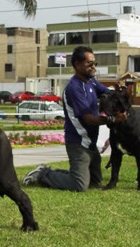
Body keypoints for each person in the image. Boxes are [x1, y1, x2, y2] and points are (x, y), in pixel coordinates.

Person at [22, 45, 126, 191]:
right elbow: (88, 119)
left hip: (91, 145)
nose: (94, 67)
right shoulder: (74, 88)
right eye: (90, 64)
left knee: (95, 184)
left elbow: (108, 92)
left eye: (95, 63)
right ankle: (41, 174)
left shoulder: (91, 81)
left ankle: (51, 172)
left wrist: (120, 92)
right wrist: (114, 119)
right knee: (79, 185)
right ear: (77, 64)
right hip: (78, 144)